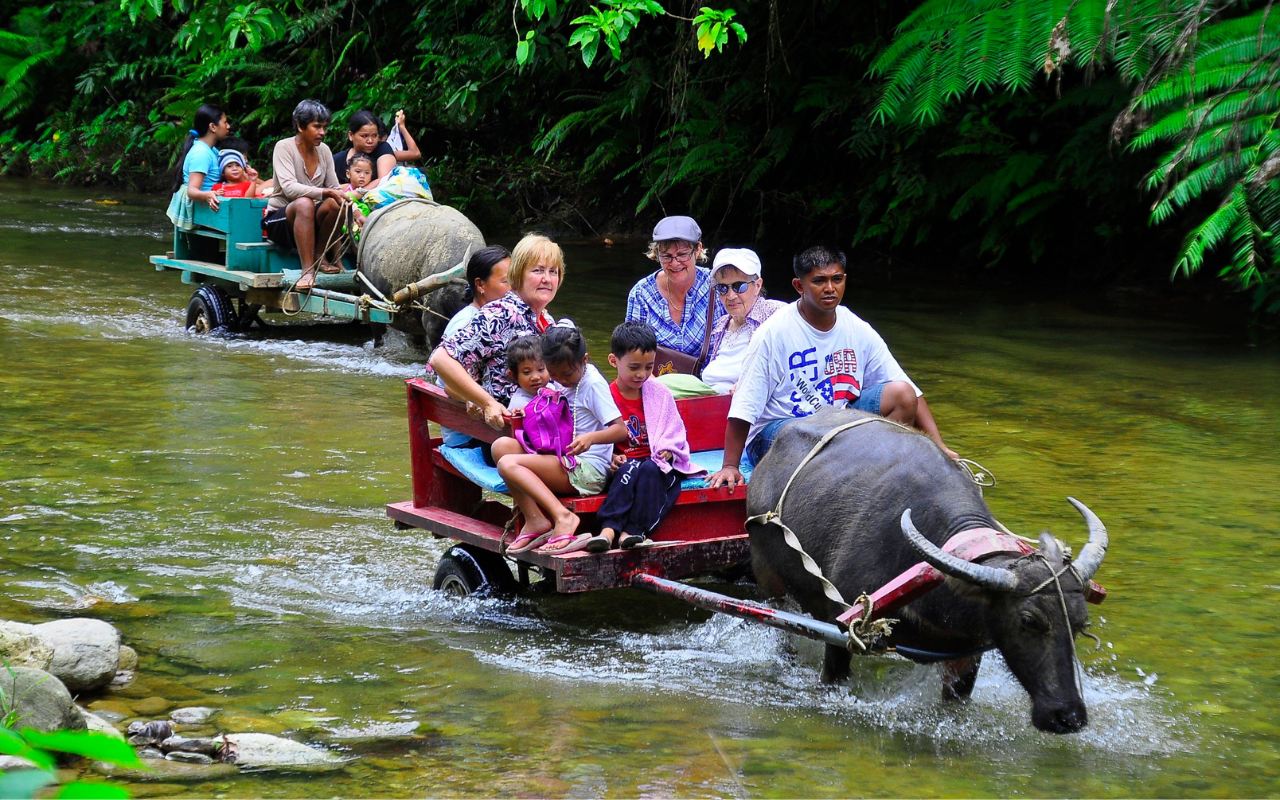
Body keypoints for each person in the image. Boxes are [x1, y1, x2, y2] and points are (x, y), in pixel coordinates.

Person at [707, 246, 956, 491]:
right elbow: (744, 406)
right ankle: (855, 469)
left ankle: (869, 473)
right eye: (819, 281)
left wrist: (939, 447)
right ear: (799, 286)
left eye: (836, 279)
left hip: (836, 427)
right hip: (781, 432)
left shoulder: (856, 327)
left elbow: (909, 390)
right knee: (804, 432)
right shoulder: (772, 333)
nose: (829, 288)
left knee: (902, 394)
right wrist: (730, 465)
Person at [494, 323, 626, 555]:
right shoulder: (565, 378)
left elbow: (621, 430)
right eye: (554, 375)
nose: (561, 381)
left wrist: (591, 438)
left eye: (566, 374)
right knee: (501, 447)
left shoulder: (592, 384)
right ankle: (534, 519)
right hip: (564, 456)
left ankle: (563, 517)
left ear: (584, 360)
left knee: (508, 464)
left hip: (587, 470)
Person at [428, 233, 564, 429]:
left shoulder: (546, 320)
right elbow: (440, 359)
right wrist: (488, 403)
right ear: (517, 275)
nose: (547, 279)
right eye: (538, 270)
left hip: (542, 424)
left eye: (553, 272)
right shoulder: (500, 313)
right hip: (505, 432)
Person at [587, 321, 700, 553]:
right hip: (626, 464)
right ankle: (608, 530)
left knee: (648, 470)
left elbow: (674, 430)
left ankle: (632, 531)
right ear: (613, 361)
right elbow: (597, 436)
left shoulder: (659, 392)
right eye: (634, 367)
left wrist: (669, 449)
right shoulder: (605, 397)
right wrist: (611, 458)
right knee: (629, 469)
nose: (642, 374)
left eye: (649, 367)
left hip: (655, 463)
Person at [262, 99, 347, 291]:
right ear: (300, 126)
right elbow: (289, 188)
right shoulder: (283, 147)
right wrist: (325, 192)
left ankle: (320, 255)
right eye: (317, 127)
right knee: (304, 203)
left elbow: (335, 188)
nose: (322, 132)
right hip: (281, 219)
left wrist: (356, 213)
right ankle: (307, 271)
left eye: (324, 127)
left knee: (336, 203)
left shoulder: (324, 150)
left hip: (311, 221)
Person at [625, 215, 721, 357]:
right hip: (655, 372)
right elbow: (632, 352)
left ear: (698, 250)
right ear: (656, 254)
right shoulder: (641, 293)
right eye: (666, 256)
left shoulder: (717, 286)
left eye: (682, 254)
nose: (675, 263)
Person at [699, 247, 788, 393]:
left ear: (757, 285)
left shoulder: (775, 313)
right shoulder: (721, 324)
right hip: (711, 398)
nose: (730, 296)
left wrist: (755, 384)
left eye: (739, 286)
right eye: (722, 288)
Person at [165, 103, 229, 228]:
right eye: (225, 122)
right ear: (213, 127)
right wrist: (208, 195)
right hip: (203, 213)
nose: (228, 126)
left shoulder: (211, 150)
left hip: (209, 209)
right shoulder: (201, 153)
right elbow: (192, 191)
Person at [442, 245, 513, 341]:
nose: (515, 286)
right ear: (480, 285)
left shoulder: (506, 315)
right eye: (506, 281)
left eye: (515, 279)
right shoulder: (464, 325)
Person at [333, 110, 397, 188]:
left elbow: (384, 181)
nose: (370, 141)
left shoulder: (383, 149)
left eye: (374, 135)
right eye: (364, 136)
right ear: (351, 135)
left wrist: (354, 193)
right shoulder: (337, 160)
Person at [504, 335, 551, 413]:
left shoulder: (553, 388)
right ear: (514, 375)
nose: (535, 377)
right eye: (527, 372)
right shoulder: (519, 405)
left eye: (540, 369)